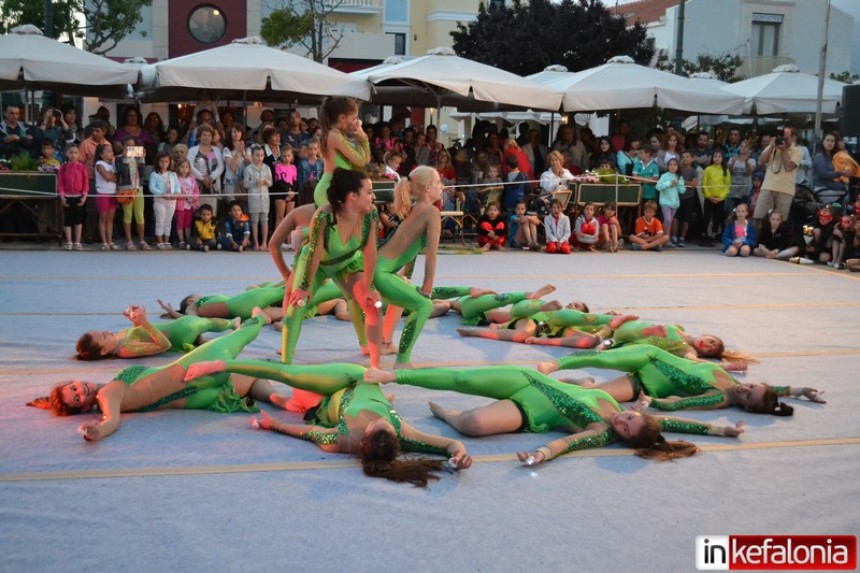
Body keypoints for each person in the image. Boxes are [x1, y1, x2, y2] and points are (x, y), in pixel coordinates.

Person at [364, 365, 744, 465]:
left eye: (625, 429)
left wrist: (541, 454)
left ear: (623, 439)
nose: (622, 421)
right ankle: (393, 375)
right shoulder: (622, 408)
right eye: (630, 418)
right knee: (463, 377)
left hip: (527, 409)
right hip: (529, 378)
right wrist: (722, 430)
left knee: (473, 424)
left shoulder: (599, 430)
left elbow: (566, 442)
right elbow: (678, 423)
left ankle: (447, 414)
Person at [181, 360, 472, 486]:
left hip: (336, 398)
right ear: (395, 437)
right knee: (291, 374)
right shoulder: (404, 433)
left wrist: (274, 426)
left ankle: (222, 366)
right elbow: (448, 444)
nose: (380, 420)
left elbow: (309, 433)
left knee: (291, 383)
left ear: (364, 437)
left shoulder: (343, 441)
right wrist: (459, 456)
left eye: (376, 423)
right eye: (386, 420)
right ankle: (222, 365)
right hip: (351, 377)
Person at [28, 312, 292, 442]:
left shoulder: (110, 389)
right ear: (84, 407)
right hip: (193, 369)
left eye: (73, 387)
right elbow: (111, 420)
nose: (79, 391)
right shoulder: (106, 395)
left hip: (194, 388)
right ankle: (262, 316)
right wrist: (98, 430)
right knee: (243, 334)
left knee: (247, 376)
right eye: (76, 398)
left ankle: (279, 395)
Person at [537, 345, 824, 416]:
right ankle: (555, 363)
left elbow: (680, 405)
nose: (744, 387)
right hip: (650, 357)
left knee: (596, 395)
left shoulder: (718, 398)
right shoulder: (732, 382)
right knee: (603, 359)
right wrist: (800, 390)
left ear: (746, 407)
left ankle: (582, 383)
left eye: (748, 395)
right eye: (751, 385)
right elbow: (773, 390)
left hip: (646, 385)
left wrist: (652, 402)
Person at [282, 169, 382, 366]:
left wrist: (369, 286)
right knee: (297, 304)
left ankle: (375, 363)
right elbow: (315, 253)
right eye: (369, 191)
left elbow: (370, 252)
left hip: (348, 263)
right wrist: (304, 286)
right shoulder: (323, 216)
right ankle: (285, 361)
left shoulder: (371, 214)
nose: (374, 196)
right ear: (352, 196)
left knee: (371, 304)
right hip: (317, 265)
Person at [372, 167, 442, 366]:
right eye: (438, 183)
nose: (442, 186)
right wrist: (427, 288)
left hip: (379, 268)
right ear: (428, 188)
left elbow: (407, 248)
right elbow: (431, 255)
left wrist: (406, 275)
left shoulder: (412, 207)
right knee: (424, 305)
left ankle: (386, 342)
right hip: (381, 272)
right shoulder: (432, 212)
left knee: (405, 293)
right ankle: (402, 361)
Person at [76, 304, 237, 360]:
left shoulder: (118, 342)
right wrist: (145, 323)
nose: (106, 331)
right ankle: (232, 323)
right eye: (103, 336)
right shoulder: (125, 350)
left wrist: (136, 321)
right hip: (178, 333)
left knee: (201, 323)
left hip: (175, 329)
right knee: (203, 322)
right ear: (103, 351)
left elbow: (140, 334)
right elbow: (164, 345)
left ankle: (202, 339)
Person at [753, 127, 801, 227]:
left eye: (786, 139)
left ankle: (777, 242)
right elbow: (760, 162)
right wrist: (771, 147)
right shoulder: (772, 147)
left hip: (785, 190)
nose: (784, 141)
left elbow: (789, 167)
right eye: (782, 138)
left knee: (780, 223)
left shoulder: (797, 151)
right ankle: (758, 242)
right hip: (767, 187)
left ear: (792, 138)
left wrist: (783, 150)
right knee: (759, 218)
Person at [115, 135, 148, 250]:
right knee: (128, 215)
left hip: (138, 189)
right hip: (126, 190)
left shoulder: (137, 158)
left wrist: (142, 159)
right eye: (128, 146)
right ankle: (129, 241)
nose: (130, 148)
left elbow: (143, 174)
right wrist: (125, 157)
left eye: (133, 146)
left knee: (140, 215)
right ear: (123, 147)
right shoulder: (119, 158)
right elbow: (123, 173)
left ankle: (142, 241)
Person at [57, 144, 89, 251]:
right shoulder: (63, 167)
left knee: (78, 220)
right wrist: (62, 196)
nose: (73, 155)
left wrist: (84, 196)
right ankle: (69, 241)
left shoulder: (82, 167)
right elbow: (60, 183)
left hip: (79, 196)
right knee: (68, 219)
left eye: (75, 153)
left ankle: (78, 242)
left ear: (79, 155)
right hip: (67, 196)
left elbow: (86, 183)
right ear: (66, 154)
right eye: (71, 152)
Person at [188, 125, 225, 216]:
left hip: (213, 185)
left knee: (213, 214)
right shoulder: (193, 150)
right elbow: (189, 166)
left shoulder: (216, 150)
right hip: (197, 186)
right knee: (198, 213)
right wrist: (202, 178)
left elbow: (221, 167)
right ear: (199, 137)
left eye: (209, 135)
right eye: (204, 135)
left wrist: (211, 177)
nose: (207, 137)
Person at [243, 144, 273, 251]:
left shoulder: (267, 168)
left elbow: (271, 183)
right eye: (257, 155)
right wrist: (255, 181)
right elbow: (245, 184)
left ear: (264, 156)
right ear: (252, 156)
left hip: (264, 197)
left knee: (264, 220)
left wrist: (265, 181)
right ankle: (255, 242)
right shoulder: (248, 169)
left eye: (261, 155)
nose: (259, 158)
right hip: (253, 197)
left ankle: (264, 242)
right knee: (254, 221)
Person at [149, 151, 180, 250]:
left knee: (168, 221)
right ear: (158, 162)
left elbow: (177, 186)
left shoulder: (173, 174)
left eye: (166, 161)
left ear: (170, 162)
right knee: (160, 221)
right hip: (160, 202)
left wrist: (176, 193)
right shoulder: (154, 174)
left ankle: (167, 241)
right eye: (162, 161)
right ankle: (160, 241)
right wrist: (161, 194)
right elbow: (152, 187)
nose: (164, 164)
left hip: (171, 201)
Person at [701, 149, 731, 247]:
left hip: (720, 199)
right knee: (706, 217)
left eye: (719, 156)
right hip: (709, 198)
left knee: (717, 218)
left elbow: (727, 186)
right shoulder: (708, 169)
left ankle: (713, 236)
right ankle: (704, 235)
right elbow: (704, 184)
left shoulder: (725, 170)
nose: (717, 158)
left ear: (722, 158)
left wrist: (720, 197)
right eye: (715, 156)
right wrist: (709, 196)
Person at [811, 132, 851, 206]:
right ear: (823, 142)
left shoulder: (831, 156)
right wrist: (841, 172)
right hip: (823, 190)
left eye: (832, 141)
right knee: (844, 199)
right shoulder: (819, 156)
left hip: (832, 189)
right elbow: (823, 174)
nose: (830, 143)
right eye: (828, 140)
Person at [94, 143, 119, 251]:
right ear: (101, 154)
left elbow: (116, 178)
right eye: (108, 151)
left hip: (112, 193)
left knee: (110, 219)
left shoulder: (113, 165)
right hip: (103, 192)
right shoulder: (99, 164)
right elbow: (107, 177)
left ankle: (110, 241)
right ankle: (104, 242)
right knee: (103, 219)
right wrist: (111, 176)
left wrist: (111, 177)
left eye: (111, 150)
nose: (111, 152)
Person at [655, 157, 683, 246]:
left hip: (674, 203)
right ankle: (664, 238)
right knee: (667, 220)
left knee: (669, 221)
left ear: (678, 167)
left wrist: (678, 184)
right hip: (665, 202)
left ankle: (666, 239)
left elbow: (682, 190)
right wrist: (669, 184)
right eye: (670, 165)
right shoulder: (664, 176)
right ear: (668, 166)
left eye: (675, 165)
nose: (672, 167)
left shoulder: (679, 177)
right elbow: (658, 186)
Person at [727, 140, 756, 212]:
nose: (743, 148)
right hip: (732, 191)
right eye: (741, 146)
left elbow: (748, 173)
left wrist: (746, 162)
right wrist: (733, 162)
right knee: (730, 212)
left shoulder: (751, 160)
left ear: (749, 149)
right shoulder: (732, 159)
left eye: (745, 147)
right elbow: (729, 172)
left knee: (743, 212)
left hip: (745, 192)